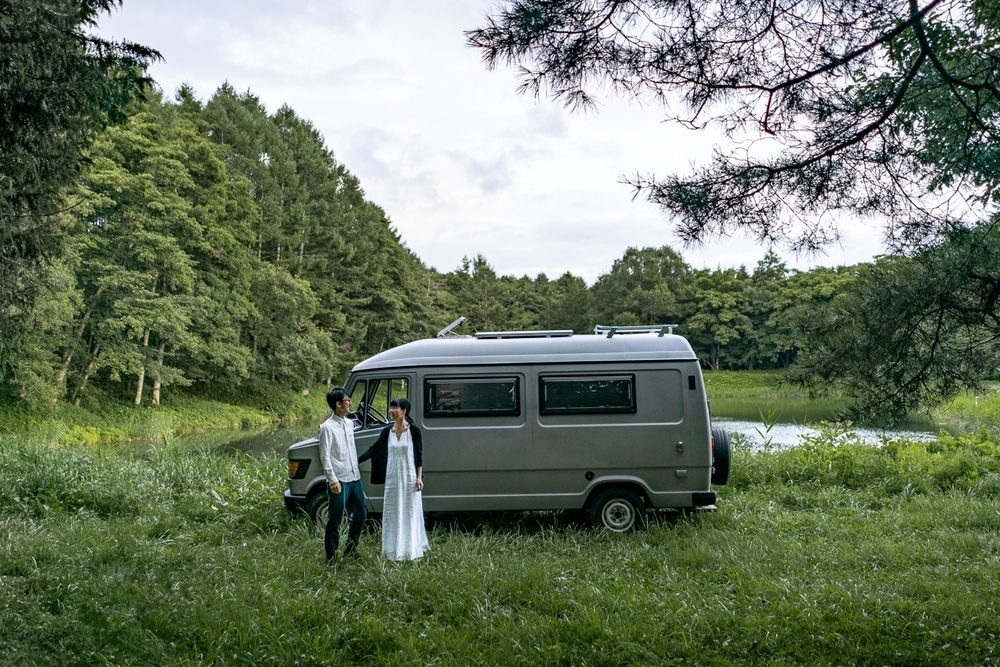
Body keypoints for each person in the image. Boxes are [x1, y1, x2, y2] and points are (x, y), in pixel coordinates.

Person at [358, 397, 429, 561]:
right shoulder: (387, 432)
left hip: (409, 478)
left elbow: (419, 455)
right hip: (392, 479)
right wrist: (355, 462)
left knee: (409, 512)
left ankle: (410, 550)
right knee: (392, 512)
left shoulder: (414, 431)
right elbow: (373, 450)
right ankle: (392, 550)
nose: (391, 411)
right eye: (390, 408)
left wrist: (419, 478)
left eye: (394, 408)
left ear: (403, 411)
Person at [317, 387, 367, 561]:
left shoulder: (349, 423)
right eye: (347, 400)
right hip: (339, 480)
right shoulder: (327, 428)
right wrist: (332, 480)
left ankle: (351, 549)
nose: (350, 403)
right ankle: (331, 556)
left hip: (354, 478)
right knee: (335, 519)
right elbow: (324, 456)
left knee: (360, 513)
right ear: (338, 404)